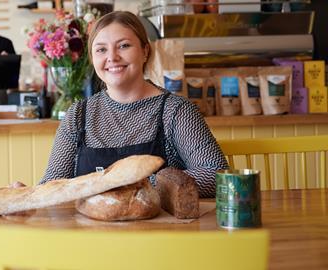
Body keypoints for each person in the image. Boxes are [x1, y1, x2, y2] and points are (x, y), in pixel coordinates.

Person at [38, 11, 228, 198]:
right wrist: (23, 194)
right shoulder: (78, 115)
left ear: (145, 51)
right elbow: (53, 185)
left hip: (159, 227)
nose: (112, 57)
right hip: (91, 227)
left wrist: (125, 184)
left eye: (124, 46)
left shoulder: (175, 110)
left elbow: (216, 174)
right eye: (101, 49)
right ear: (92, 58)